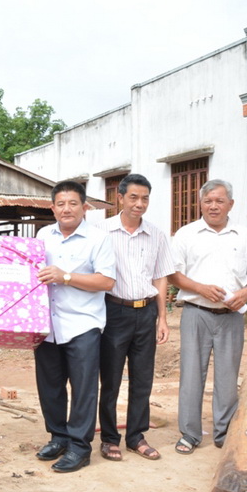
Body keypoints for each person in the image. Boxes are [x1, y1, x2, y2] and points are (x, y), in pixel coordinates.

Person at [169, 179, 247, 455]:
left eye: (220, 201)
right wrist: (199, 288)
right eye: (208, 201)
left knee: (227, 376)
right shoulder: (186, 234)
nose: (214, 206)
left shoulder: (245, 236)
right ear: (200, 203)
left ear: (231, 204)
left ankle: (223, 432)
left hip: (231, 316)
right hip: (195, 313)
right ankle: (189, 433)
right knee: (191, 374)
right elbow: (174, 274)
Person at [33, 180, 115, 473]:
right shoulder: (43, 235)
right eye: (61, 204)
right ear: (52, 207)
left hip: (83, 324)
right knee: (50, 386)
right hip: (47, 325)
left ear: (85, 208)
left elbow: (106, 281)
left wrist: (65, 276)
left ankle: (80, 447)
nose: (66, 209)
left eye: (73, 203)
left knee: (83, 389)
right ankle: (58, 437)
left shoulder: (98, 238)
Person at [98, 174, 174, 462]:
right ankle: (108, 438)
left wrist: (162, 317)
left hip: (146, 312)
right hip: (113, 311)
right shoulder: (101, 231)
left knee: (143, 379)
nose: (139, 204)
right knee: (111, 378)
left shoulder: (156, 234)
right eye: (133, 197)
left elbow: (161, 276)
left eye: (144, 198)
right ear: (120, 197)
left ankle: (136, 437)